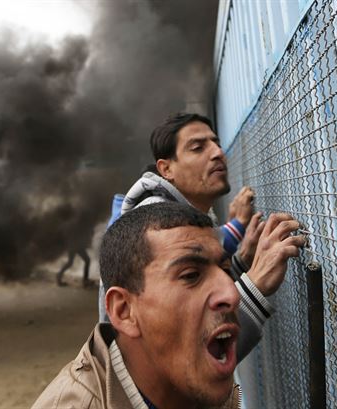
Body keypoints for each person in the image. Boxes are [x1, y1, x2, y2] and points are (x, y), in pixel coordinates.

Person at [101, 112, 306, 361]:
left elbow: (198, 294)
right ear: (166, 169)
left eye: (216, 143)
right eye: (198, 148)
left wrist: (242, 261)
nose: (218, 152)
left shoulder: (184, 214)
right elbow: (184, 350)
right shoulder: (157, 225)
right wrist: (256, 284)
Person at [32, 202, 245, 408]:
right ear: (124, 311)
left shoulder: (191, 380)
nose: (231, 293)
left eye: (225, 270)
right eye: (191, 275)